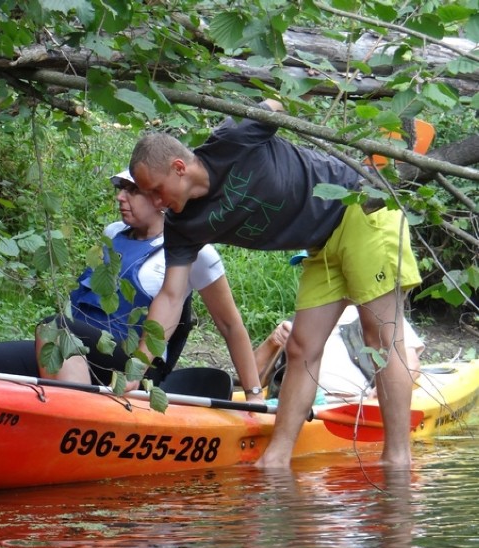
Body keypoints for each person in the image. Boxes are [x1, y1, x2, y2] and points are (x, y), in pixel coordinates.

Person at [126, 98, 422, 467]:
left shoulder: (230, 140)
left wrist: (262, 110)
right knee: (300, 349)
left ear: (179, 167)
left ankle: (397, 460)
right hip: (321, 244)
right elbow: (170, 297)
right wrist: (137, 366)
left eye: (155, 190)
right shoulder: (182, 226)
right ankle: (275, 461)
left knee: (380, 336)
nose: (154, 202)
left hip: (360, 206)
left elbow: (275, 104)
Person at [0, 169, 263, 397]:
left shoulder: (198, 253)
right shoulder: (113, 232)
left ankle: (76, 420)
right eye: (121, 189)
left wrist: (252, 395)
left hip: (132, 363)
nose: (121, 197)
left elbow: (230, 326)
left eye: (132, 190)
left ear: (161, 199)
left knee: (56, 327)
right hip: (77, 349)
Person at [255, 307, 425, 403]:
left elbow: (411, 364)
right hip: (299, 408)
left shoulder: (380, 315)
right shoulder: (294, 324)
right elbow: (251, 381)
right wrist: (272, 342)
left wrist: (384, 390)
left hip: (357, 405)